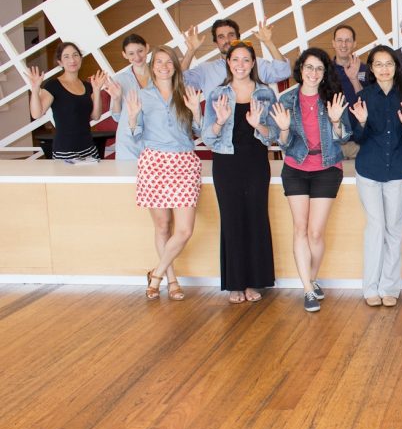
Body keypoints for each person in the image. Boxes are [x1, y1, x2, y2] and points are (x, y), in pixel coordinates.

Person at [268, 48, 350, 313]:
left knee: (315, 232)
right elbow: (282, 142)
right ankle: (307, 289)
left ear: (324, 74)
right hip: (296, 167)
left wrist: (337, 122)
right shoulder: (287, 99)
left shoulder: (333, 99)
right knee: (300, 229)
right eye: (309, 68)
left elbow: (343, 137)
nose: (313, 73)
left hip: (327, 167)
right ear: (300, 70)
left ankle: (311, 280)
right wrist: (282, 128)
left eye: (319, 69)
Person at [123, 46, 203, 300]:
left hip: (184, 162)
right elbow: (136, 137)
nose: (164, 66)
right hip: (154, 162)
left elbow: (199, 132)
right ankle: (171, 279)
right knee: (162, 226)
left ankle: (155, 274)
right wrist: (133, 119)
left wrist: (197, 112)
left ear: (176, 66)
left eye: (169, 62)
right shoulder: (142, 96)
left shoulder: (185, 93)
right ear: (152, 65)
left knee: (184, 230)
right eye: (159, 61)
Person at [201, 41, 277, 305]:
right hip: (226, 163)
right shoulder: (216, 95)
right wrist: (220, 121)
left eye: (246, 60)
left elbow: (274, 136)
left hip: (256, 162)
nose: (241, 65)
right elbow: (207, 138)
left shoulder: (266, 94)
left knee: (256, 218)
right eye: (236, 60)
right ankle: (235, 284)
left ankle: (256, 281)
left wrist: (260, 127)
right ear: (228, 62)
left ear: (253, 63)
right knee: (232, 220)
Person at [349, 45, 402, 307]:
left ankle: (390, 287)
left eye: (388, 63)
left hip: (398, 171)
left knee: (394, 229)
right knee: (376, 227)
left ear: (395, 67)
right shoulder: (362, 97)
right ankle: (370, 287)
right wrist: (363, 122)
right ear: (371, 69)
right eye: (378, 64)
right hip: (369, 170)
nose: (384, 69)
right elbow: (357, 137)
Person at [27, 42, 105, 161]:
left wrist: (97, 90)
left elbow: (96, 116)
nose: (72, 60)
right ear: (60, 62)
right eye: (66, 56)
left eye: (75, 55)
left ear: (81, 58)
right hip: (65, 150)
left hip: (89, 148)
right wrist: (35, 88)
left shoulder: (88, 86)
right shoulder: (53, 85)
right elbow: (36, 113)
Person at [181, 18, 290, 96]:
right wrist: (190, 51)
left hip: (254, 126)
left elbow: (282, 72)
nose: (227, 40)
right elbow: (179, 81)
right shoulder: (205, 70)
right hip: (219, 127)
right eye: (221, 37)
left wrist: (268, 42)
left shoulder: (256, 63)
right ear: (216, 42)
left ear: (239, 38)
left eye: (231, 35)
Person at [105, 34, 150, 161]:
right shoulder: (119, 80)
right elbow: (117, 117)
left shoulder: (160, 76)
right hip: (129, 143)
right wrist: (117, 98)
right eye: (131, 53)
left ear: (147, 48)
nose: (137, 57)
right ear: (124, 55)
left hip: (154, 141)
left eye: (140, 51)